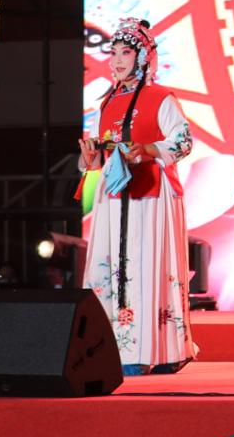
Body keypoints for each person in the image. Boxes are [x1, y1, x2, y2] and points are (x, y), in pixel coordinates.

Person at [79, 18, 197, 375]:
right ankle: (116, 349)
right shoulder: (107, 102)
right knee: (113, 269)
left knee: (147, 267)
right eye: (113, 52)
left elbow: (183, 141)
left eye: (125, 53)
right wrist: (89, 157)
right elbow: (98, 158)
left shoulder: (161, 98)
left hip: (152, 195)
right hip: (115, 196)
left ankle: (161, 350)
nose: (116, 60)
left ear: (143, 57)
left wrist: (147, 149)